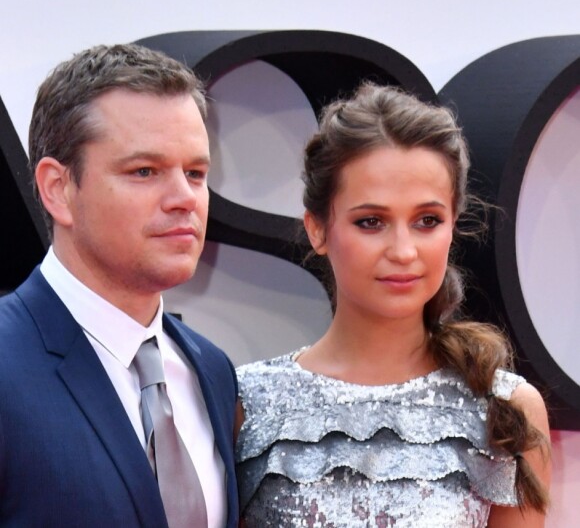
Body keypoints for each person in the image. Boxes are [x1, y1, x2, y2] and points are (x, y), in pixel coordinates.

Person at [235, 83, 551, 527]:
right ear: (318, 229)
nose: (403, 250)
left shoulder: (507, 407)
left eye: (427, 221)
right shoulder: (248, 402)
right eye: (371, 222)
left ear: (452, 226)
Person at [0, 43, 239, 527]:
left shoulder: (213, 370)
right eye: (145, 171)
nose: (183, 199)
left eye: (195, 173)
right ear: (58, 190)